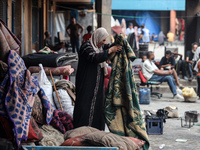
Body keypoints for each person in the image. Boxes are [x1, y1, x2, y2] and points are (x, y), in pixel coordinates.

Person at [73, 27, 122, 130]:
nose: (103, 43)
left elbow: (108, 46)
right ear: (97, 37)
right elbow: (94, 57)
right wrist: (109, 51)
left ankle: (95, 130)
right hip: (86, 82)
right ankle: (81, 130)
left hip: (96, 84)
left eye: (105, 40)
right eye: (103, 40)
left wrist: (119, 42)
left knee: (97, 106)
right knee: (84, 105)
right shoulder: (86, 47)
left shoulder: (99, 47)